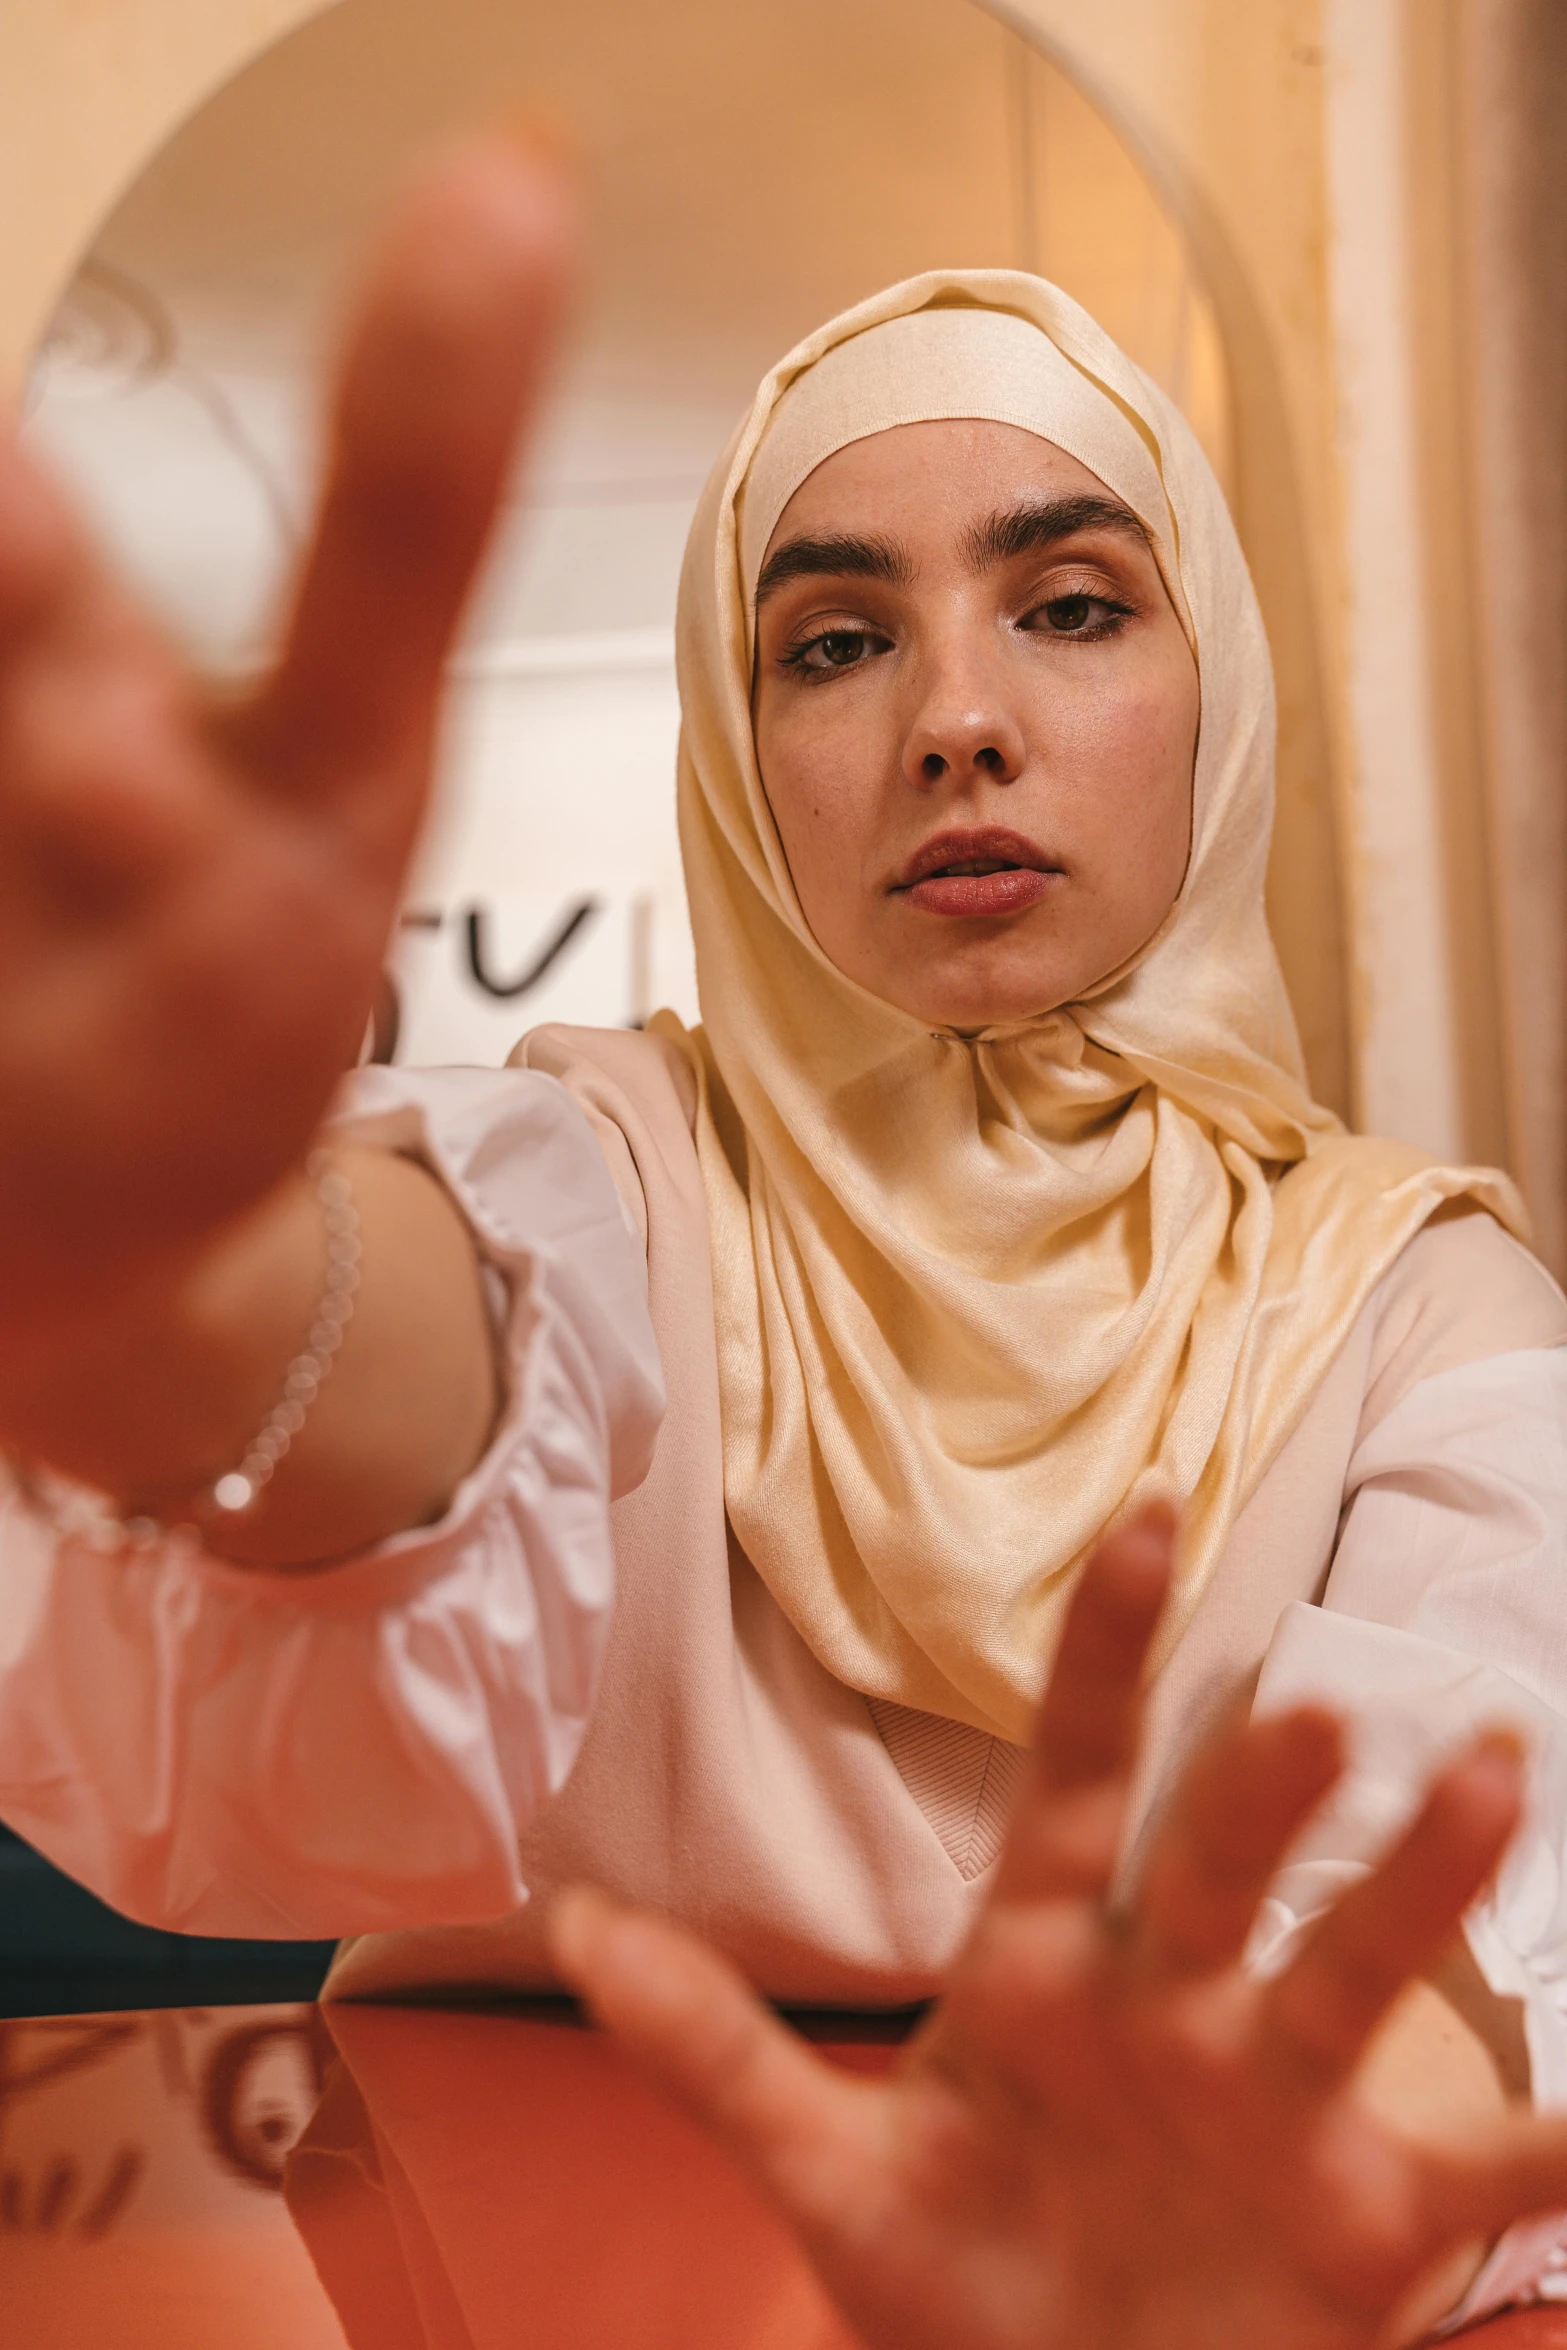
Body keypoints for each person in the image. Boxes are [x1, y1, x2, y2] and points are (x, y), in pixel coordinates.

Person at [2, 135, 1567, 2346]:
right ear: (744, 763)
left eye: (1074, 603)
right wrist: (191, 1293)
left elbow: (1452, 1942)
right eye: (836, 642)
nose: (954, 718)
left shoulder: (1421, 1310)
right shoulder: (609, 1164)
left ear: (1217, 701)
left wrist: (1203, 2276)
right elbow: (432, 1333)